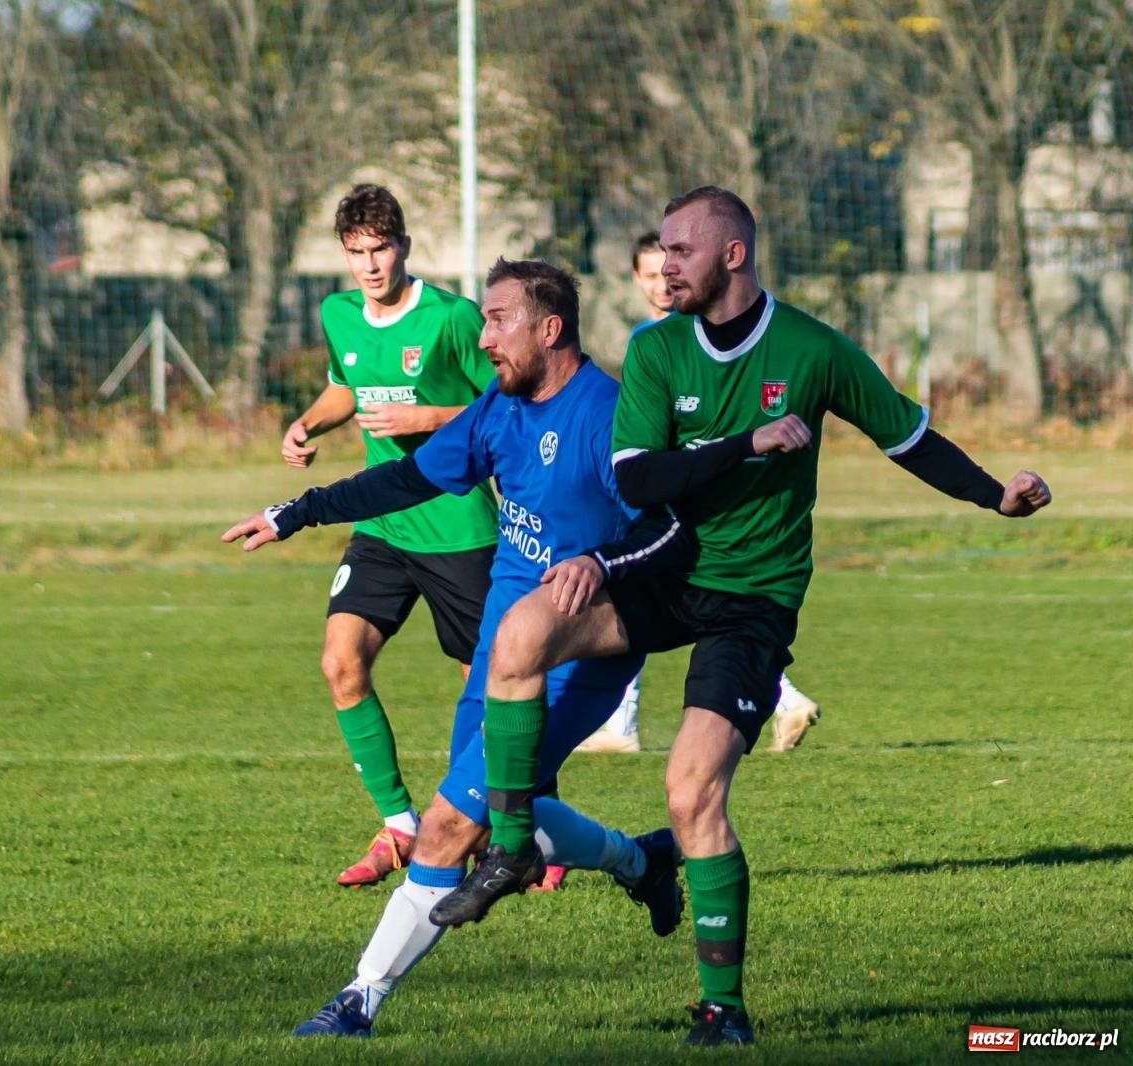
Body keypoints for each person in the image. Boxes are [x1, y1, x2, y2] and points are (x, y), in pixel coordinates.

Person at [431, 188, 1053, 1047]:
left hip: (753, 599)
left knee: (690, 792)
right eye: (662, 251)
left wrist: (994, 495)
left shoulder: (813, 350)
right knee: (522, 633)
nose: (665, 266)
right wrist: (747, 445)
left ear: (733, 255)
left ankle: (722, 1009)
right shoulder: (656, 349)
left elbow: (907, 439)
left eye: (681, 250)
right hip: (665, 571)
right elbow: (640, 479)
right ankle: (510, 847)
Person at [225, 258, 693, 1037]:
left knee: (449, 823)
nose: (482, 339)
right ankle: (642, 863)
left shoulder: (610, 417)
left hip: (575, 660)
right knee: (508, 805)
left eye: (499, 320)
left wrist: (601, 564)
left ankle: (358, 1001)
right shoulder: (499, 409)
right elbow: (405, 481)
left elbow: (671, 531)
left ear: (550, 329)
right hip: (499, 655)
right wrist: (297, 511)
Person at [280, 184, 500, 888]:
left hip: (458, 526)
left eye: (380, 249)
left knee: (490, 692)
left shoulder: (453, 318)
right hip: (381, 524)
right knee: (340, 663)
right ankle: (401, 825)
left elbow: (505, 405)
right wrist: (307, 423)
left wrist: (428, 418)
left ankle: (514, 828)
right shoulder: (337, 314)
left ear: (403, 245)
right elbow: (349, 386)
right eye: (357, 253)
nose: (370, 266)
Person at [578, 232, 820, 755]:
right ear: (637, 278)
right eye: (648, 274)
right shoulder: (649, 337)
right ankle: (785, 698)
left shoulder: (699, 335)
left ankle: (623, 724)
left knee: (652, 602)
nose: (660, 283)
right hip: (660, 487)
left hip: (685, 505)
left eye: (665, 269)